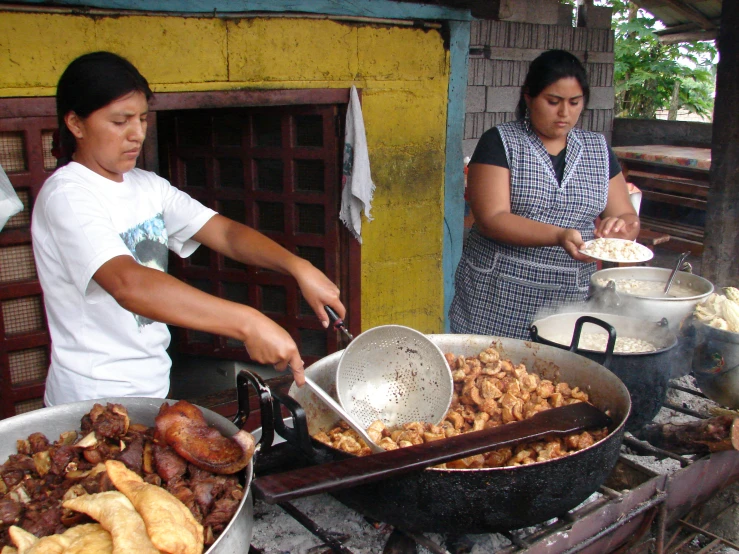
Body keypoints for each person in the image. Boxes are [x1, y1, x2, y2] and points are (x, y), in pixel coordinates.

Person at [32, 51, 345, 406]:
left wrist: (298, 267)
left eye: (143, 119)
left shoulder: (147, 186)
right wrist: (247, 322)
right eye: (120, 122)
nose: (137, 134)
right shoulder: (68, 196)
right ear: (76, 123)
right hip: (91, 398)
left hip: (151, 387)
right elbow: (127, 284)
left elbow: (225, 233)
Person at [449, 49, 639, 340]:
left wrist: (622, 228)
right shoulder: (500, 142)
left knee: (555, 379)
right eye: (553, 102)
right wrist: (559, 235)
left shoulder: (597, 149)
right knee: (490, 374)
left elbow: (625, 215)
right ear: (529, 97)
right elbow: (491, 218)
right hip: (499, 295)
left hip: (568, 296)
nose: (565, 113)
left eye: (574, 103)